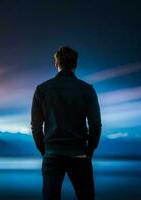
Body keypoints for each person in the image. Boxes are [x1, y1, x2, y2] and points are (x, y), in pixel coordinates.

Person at [31, 46, 102, 200]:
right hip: (79, 154)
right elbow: (95, 125)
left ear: (56, 63)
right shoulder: (87, 90)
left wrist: (45, 151)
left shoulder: (42, 90)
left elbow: (36, 127)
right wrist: (89, 151)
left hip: (52, 154)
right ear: (75, 64)